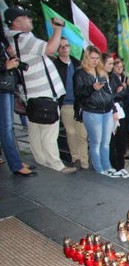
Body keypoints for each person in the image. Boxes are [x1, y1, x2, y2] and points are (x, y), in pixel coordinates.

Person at [5, 6, 77, 174]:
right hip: (43, 92)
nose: (30, 19)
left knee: (36, 130)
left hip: (33, 93)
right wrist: (57, 30)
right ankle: (55, 165)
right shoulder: (23, 38)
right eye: (26, 17)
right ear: (16, 22)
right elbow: (51, 49)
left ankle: (42, 161)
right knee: (49, 131)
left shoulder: (15, 38)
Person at [74, 46, 119, 177]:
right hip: (92, 111)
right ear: (86, 58)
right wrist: (92, 88)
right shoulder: (80, 73)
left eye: (97, 58)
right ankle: (99, 170)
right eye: (92, 58)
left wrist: (113, 109)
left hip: (107, 111)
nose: (94, 61)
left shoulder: (101, 72)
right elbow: (78, 93)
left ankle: (107, 166)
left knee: (106, 142)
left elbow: (108, 93)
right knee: (96, 142)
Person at [0, 30, 34, 176]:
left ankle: (16, 161)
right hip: (2, 87)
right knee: (6, 128)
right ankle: (15, 164)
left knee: (7, 127)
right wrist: (5, 66)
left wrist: (12, 56)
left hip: (7, 86)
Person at [53, 37, 88, 169]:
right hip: (66, 104)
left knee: (82, 134)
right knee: (71, 132)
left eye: (67, 45)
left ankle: (84, 161)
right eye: (61, 46)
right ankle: (76, 158)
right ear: (57, 50)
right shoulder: (55, 65)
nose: (65, 48)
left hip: (80, 103)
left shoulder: (77, 63)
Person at [104, 54, 129, 178]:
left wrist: (115, 95)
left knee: (121, 141)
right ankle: (112, 166)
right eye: (109, 63)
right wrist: (115, 95)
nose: (112, 66)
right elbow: (106, 96)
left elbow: (123, 92)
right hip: (107, 112)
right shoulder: (100, 77)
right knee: (111, 142)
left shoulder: (114, 77)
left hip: (119, 112)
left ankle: (121, 166)